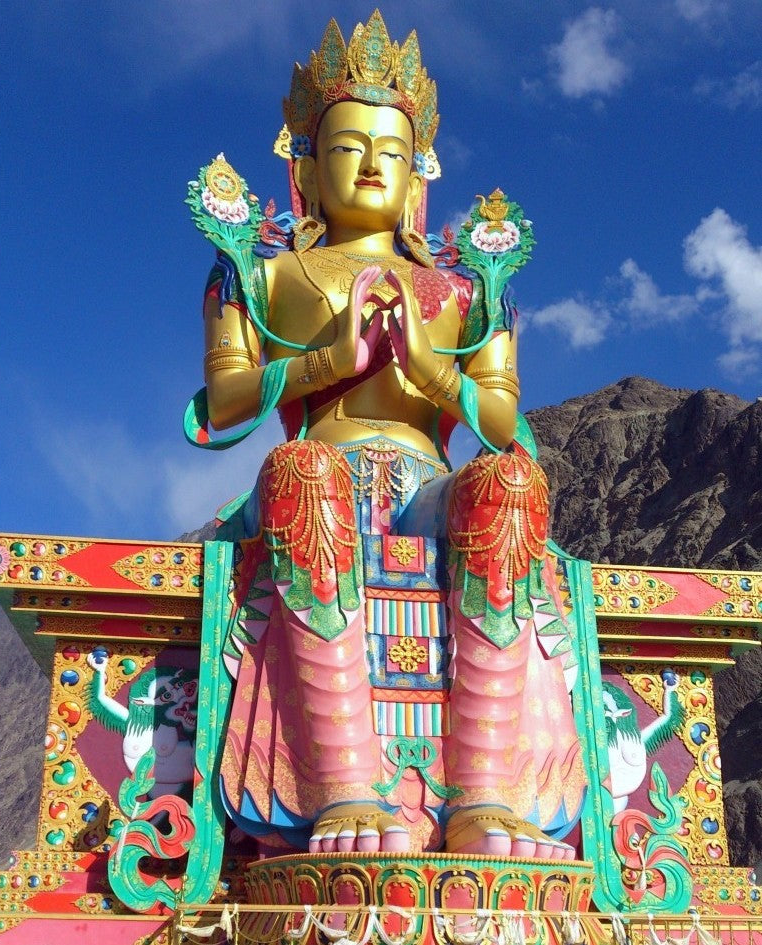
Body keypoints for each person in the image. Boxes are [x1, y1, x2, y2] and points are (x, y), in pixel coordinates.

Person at [192, 12, 585, 859]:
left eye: (390, 151)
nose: (371, 163)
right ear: (304, 164)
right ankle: (342, 788)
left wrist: (431, 370)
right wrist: (326, 362)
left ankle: (482, 796)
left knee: (511, 484)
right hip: (319, 472)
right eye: (346, 145)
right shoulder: (263, 273)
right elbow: (223, 404)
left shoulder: (465, 287)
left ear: (417, 177)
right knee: (299, 472)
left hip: (428, 486)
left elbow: (502, 422)